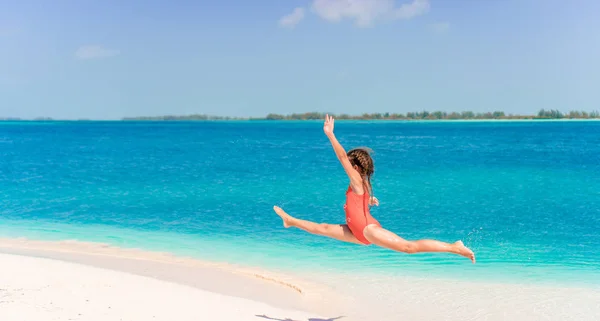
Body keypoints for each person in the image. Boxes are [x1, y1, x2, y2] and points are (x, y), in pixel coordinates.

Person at [273, 114, 475, 263]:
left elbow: (342, 157)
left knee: (408, 247)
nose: (347, 169)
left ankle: (453, 247)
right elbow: (359, 200)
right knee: (322, 228)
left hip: (367, 230)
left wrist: (330, 135)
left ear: (356, 168)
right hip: (356, 230)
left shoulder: (357, 179)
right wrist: (369, 200)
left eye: (350, 167)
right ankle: (290, 221)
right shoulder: (361, 184)